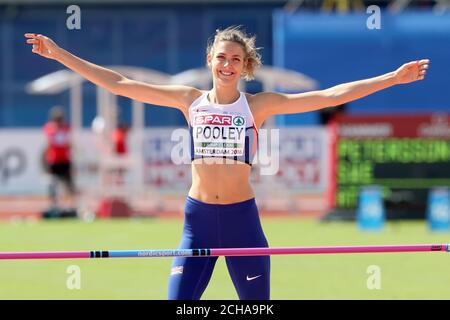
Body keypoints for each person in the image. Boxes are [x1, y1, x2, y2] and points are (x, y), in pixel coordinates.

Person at [25, 26, 429, 299]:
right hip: (196, 221)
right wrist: (60, 54)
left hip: (241, 222)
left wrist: (392, 78)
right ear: (210, 59)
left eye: (235, 59)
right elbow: (118, 83)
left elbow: (330, 96)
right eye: (221, 57)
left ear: (245, 65)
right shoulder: (189, 100)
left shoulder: (259, 105)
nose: (227, 65)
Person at [42, 106, 77, 213]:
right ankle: (54, 204)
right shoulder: (49, 128)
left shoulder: (66, 128)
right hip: (54, 160)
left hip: (64, 160)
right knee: (53, 184)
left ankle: (70, 205)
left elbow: (68, 143)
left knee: (68, 184)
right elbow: (49, 143)